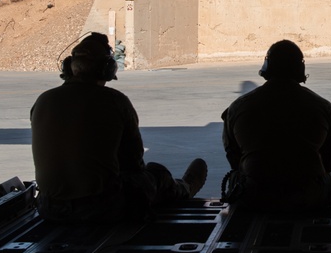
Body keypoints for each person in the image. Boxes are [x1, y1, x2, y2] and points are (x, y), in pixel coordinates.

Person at [31, 32, 207, 222]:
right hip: (100, 208)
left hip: (50, 207)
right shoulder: (115, 101)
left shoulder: (43, 100)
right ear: (107, 68)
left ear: (69, 66)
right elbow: (134, 163)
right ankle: (184, 189)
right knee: (157, 174)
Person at [221, 40, 331, 210]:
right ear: (300, 69)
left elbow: (234, 159)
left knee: (236, 178)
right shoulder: (324, 107)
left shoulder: (237, 107)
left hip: (255, 196)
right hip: (306, 196)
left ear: (267, 66)